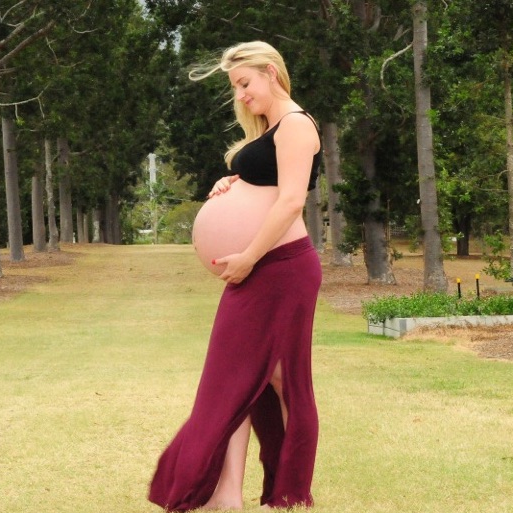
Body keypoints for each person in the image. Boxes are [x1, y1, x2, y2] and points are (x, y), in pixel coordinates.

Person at [149, 40, 323, 512]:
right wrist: (235, 181)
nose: (241, 95)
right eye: (236, 88)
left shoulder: (296, 125)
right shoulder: (269, 129)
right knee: (237, 381)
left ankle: (288, 493)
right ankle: (226, 494)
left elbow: (291, 201)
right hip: (258, 268)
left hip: (281, 269)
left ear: (270, 72)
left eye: (245, 83)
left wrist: (247, 255)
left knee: (285, 380)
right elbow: (267, 185)